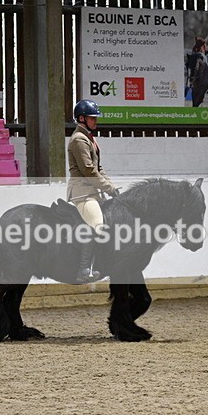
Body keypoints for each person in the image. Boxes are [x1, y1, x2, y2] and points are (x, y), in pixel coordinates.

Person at [67, 99, 119, 283]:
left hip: (94, 191)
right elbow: (89, 171)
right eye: (92, 118)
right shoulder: (78, 140)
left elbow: (99, 168)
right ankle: (84, 269)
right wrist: (108, 188)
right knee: (97, 224)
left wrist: (112, 187)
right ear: (81, 118)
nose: (96, 121)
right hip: (82, 193)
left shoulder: (89, 137)